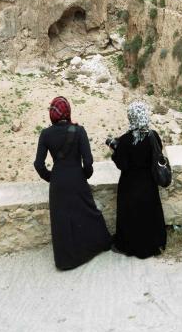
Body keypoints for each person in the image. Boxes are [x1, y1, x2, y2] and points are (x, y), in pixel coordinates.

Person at [34, 96, 111, 270]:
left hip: (58, 181)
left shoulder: (46, 134)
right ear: (68, 112)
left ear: (52, 114)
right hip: (77, 178)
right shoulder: (79, 131)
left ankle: (66, 261)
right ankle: (98, 245)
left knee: (62, 221)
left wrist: (51, 177)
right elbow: (89, 162)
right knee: (88, 213)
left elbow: (38, 164)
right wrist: (84, 176)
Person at [109, 101, 167, 259]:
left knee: (131, 217)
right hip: (148, 184)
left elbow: (122, 164)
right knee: (149, 215)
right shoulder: (153, 136)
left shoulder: (126, 140)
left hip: (130, 186)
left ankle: (131, 245)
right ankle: (154, 243)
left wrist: (114, 151)